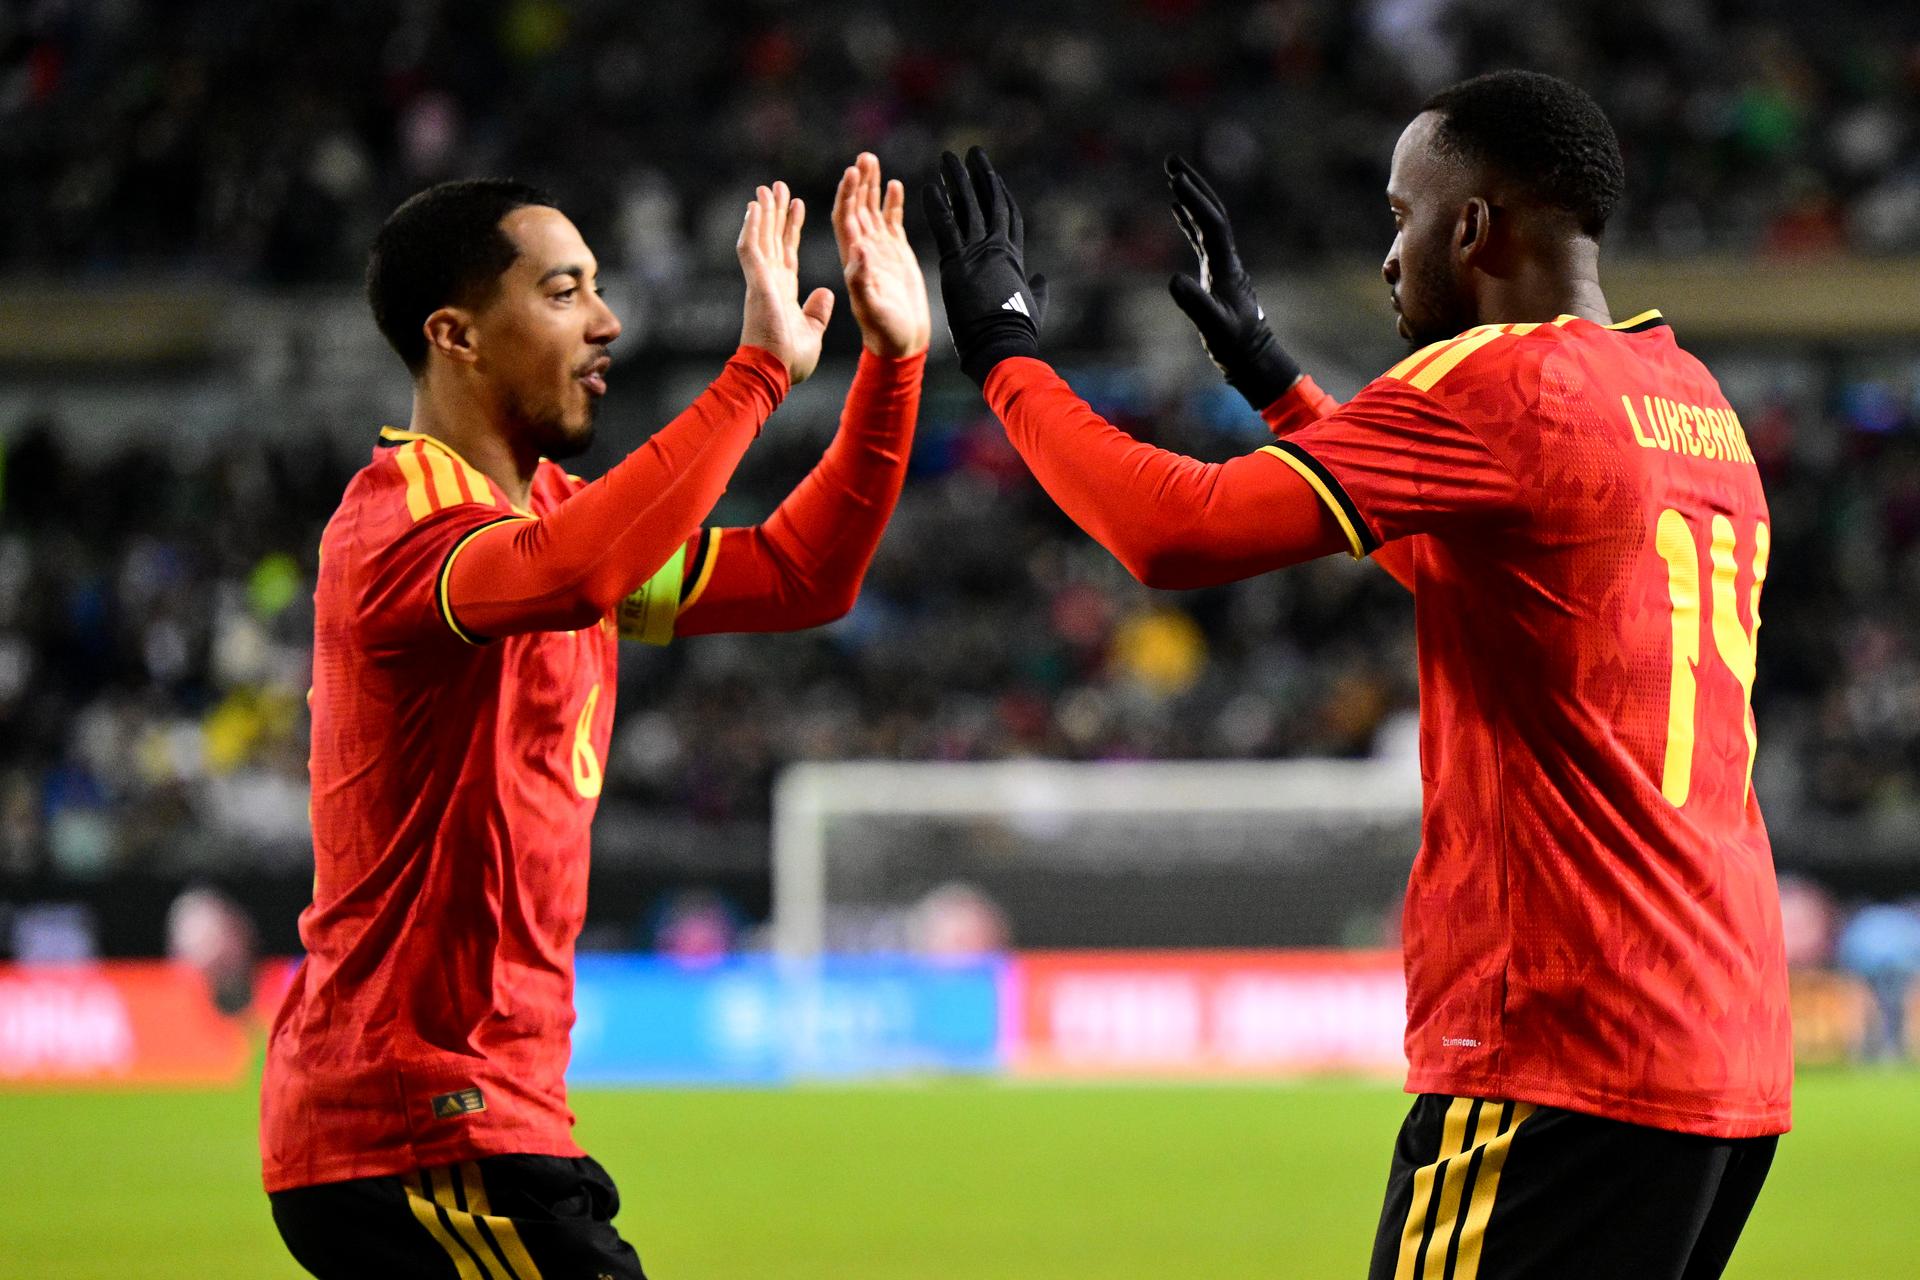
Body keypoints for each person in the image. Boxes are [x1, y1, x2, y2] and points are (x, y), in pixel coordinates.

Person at [925, 70, 1789, 1280]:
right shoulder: (1691, 402)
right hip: (1722, 1051)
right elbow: (1481, 575)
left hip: (1561, 1040)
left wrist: (1003, 349)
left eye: (1401, 216)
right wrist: (1277, 382)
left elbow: (1173, 533)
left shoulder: (1496, 382)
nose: (1390, 255)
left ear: (1475, 229)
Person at [262, 153, 929, 1279]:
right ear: (457, 334)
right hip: (418, 1128)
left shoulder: (563, 522)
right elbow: (564, 576)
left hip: (486, 1124)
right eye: (564, 291)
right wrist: (758, 372)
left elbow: (801, 573)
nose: (608, 320)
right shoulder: (399, 527)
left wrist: (895, 364)